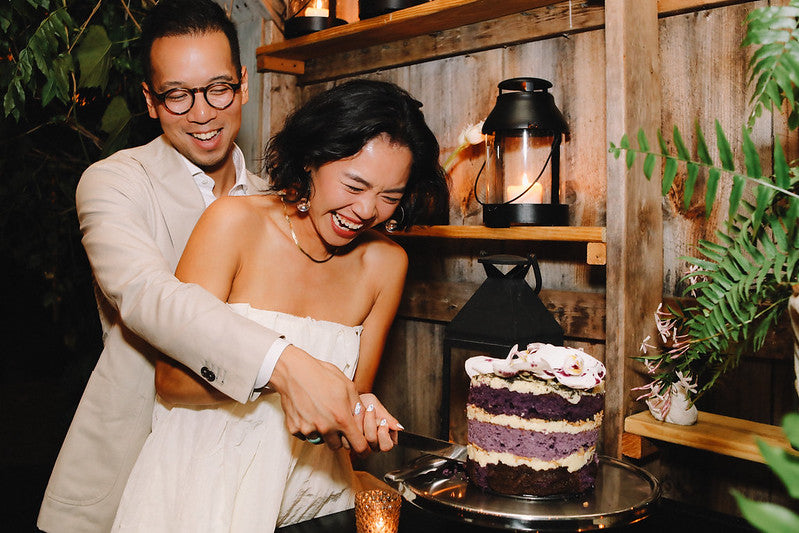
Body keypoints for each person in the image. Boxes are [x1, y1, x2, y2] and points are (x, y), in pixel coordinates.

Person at [37, 1, 433, 531]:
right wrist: (286, 367)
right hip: (146, 470)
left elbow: (343, 394)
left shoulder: (295, 204)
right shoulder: (115, 184)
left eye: (218, 88)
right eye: (177, 94)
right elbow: (150, 296)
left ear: (244, 84)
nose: (202, 112)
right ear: (150, 101)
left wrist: (349, 410)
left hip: (291, 490)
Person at [110, 78, 448, 531]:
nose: (368, 210)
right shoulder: (233, 223)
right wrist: (285, 381)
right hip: (203, 491)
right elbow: (171, 382)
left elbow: (349, 402)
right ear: (311, 160)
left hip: (315, 499)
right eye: (354, 185)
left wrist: (362, 417)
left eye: (390, 196)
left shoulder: (386, 263)